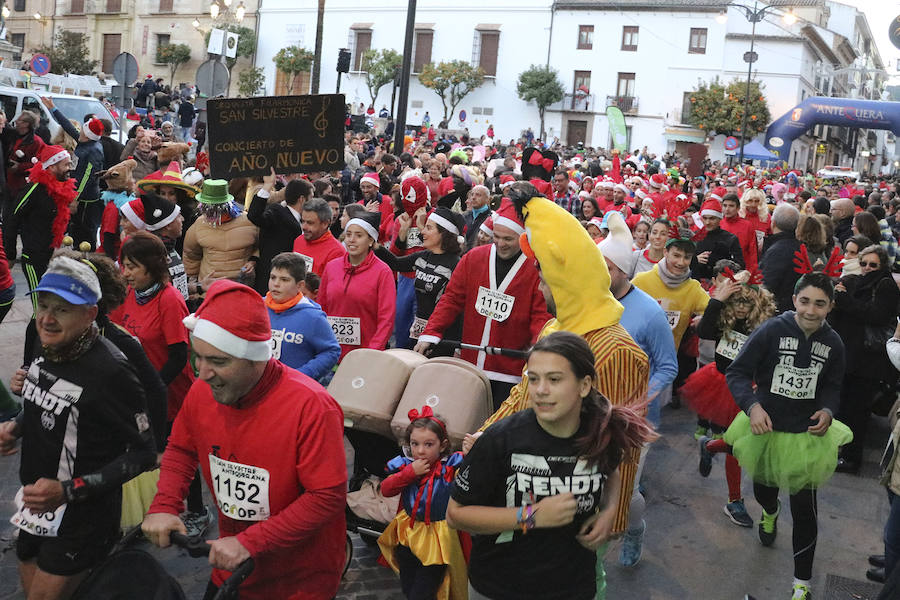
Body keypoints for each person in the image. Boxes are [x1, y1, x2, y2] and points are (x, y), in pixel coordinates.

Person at [142, 280, 347, 599]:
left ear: (256, 358)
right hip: (232, 566)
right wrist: (166, 503)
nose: (203, 373)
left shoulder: (312, 407)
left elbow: (326, 496)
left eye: (219, 361)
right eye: (199, 357)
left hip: (299, 578)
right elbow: (183, 448)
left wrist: (251, 542)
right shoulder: (202, 391)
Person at [448, 331, 655, 600]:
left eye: (554, 379)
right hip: (500, 587)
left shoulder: (600, 430)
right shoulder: (501, 439)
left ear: (584, 385)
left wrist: (609, 511)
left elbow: (611, 471)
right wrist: (530, 516)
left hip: (573, 586)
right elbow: (456, 514)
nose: (540, 390)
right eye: (533, 379)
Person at [1, 257, 156, 598]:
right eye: (43, 306)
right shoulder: (48, 339)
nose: (47, 318)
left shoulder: (112, 371)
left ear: (89, 314)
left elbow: (145, 454)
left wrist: (68, 491)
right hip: (34, 504)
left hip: (83, 516)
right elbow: (48, 394)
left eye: (62, 309)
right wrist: (15, 427)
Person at [724, 272, 852, 600]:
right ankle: (769, 511)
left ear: (830, 307)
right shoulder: (771, 331)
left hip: (807, 437)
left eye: (820, 304)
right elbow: (737, 372)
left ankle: (801, 585)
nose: (811, 310)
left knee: (806, 512)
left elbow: (834, 387)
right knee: (764, 491)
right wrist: (752, 407)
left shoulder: (834, 343)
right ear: (794, 300)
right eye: (805, 301)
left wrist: (827, 410)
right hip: (766, 429)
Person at [596, 211, 677, 566]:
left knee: (625, 491)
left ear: (625, 271)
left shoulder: (649, 312)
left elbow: (668, 366)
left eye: (608, 269)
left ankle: (633, 528)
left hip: (632, 422)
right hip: (589, 415)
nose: (600, 275)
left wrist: (639, 401)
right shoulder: (591, 302)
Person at [415, 198, 551, 405]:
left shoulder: (535, 267)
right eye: (496, 237)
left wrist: (538, 347)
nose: (500, 244)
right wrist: (431, 332)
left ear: (523, 239)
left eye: (508, 239)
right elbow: (451, 299)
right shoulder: (474, 258)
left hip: (511, 370)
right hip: (471, 366)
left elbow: (540, 314)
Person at [683, 269, 776, 528]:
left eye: (746, 302)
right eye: (736, 302)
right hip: (722, 384)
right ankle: (735, 500)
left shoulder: (764, 326)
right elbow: (704, 331)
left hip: (750, 390)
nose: (740, 308)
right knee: (736, 445)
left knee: (743, 442)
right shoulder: (724, 320)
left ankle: (710, 446)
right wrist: (718, 299)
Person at [377, 406, 468, 599]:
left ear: (442, 445)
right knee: (409, 586)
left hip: (437, 540)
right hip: (407, 535)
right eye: (415, 444)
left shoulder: (451, 466)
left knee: (423, 591)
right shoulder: (405, 465)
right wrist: (409, 473)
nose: (420, 451)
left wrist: (471, 451)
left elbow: (474, 472)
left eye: (428, 444)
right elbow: (386, 489)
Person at [829, 245, 900, 474]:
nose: (867, 268)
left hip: (867, 360)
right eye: (864, 263)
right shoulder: (856, 281)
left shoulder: (885, 284)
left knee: (856, 411)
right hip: (851, 355)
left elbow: (876, 315)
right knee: (845, 406)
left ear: (882, 266)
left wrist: (845, 300)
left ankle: (851, 458)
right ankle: (842, 451)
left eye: (873, 265)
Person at [375, 206, 465, 351]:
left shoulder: (457, 264)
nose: (422, 231)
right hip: (417, 332)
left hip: (443, 337)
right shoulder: (422, 257)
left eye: (428, 228)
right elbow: (396, 262)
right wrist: (374, 246)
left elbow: (459, 308)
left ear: (444, 234)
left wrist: (458, 349)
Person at [318, 211, 396, 360]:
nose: (352, 240)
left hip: (364, 354)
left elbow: (386, 319)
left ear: (371, 241)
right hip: (330, 353)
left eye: (359, 236)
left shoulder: (383, 272)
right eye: (348, 235)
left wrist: (371, 353)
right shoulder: (331, 267)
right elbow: (321, 308)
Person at [8, 145, 77, 312]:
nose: (70, 168)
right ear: (52, 166)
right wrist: (10, 254)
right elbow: (12, 218)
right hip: (32, 258)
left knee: (49, 308)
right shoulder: (34, 188)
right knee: (39, 311)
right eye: (66, 164)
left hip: (50, 256)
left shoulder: (60, 188)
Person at [265, 252, 341, 382]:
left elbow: (331, 352)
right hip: (260, 387)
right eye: (273, 277)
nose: (276, 284)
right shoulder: (258, 307)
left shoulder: (312, 316)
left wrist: (301, 376)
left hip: (293, 388)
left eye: (284, 279)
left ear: (300, 286)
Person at [41, 97, 105, 247]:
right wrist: (53, 108)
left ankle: (86, 262)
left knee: (85, 234)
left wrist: (76, 197)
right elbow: (68, 126)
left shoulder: (94, 150)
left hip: (87, 199)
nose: (80, 130)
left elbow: (87, 177)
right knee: (75, 231)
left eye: (83, 128)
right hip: (77, 194)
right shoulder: (85, 140)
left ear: (88, 133)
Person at [183, 179, 259, 290]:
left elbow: (261, 246)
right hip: (210, 291)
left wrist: (253, 261)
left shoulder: (249, 221)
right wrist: (193, 286)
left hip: (242, 289)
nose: (211, 212)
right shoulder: (199, 224)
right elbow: (191, 257)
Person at [246, 170, 307, 295]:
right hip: (271, 283)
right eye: (311, 197)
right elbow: (254, 216)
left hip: (293, 284)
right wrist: (267, 185)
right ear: (302, 199)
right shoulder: (278, 212)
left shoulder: (305, 220)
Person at [760, 203, 803, 314]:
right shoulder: (799, 247)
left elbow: (767, 285)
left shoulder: (777, 251)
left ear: (772, 223)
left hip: (778, 310)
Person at [292, 195, 347, 279]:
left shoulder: (336, 252)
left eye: (310, 223)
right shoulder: (299, 241)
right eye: (303, 221)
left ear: (325, 223)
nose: (304, 227)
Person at [691, 198, 744, 282]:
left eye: (712, 218)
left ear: (720, 219)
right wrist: (695, 260)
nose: (708, 222)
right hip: (697, 283)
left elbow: (740, 266)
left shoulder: (730, 239)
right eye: (705, 218)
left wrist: (722, 264)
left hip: (723, 283)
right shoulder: (694, 237)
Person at [720, 193, 758, 272]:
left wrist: (752, 271)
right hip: (720, 270)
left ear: (738, 208)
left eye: (731, 206)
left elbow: (753, 251)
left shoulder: (747, 225)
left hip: (741, 269)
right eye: (725, 205)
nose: (727, 209)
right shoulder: (718, 224)